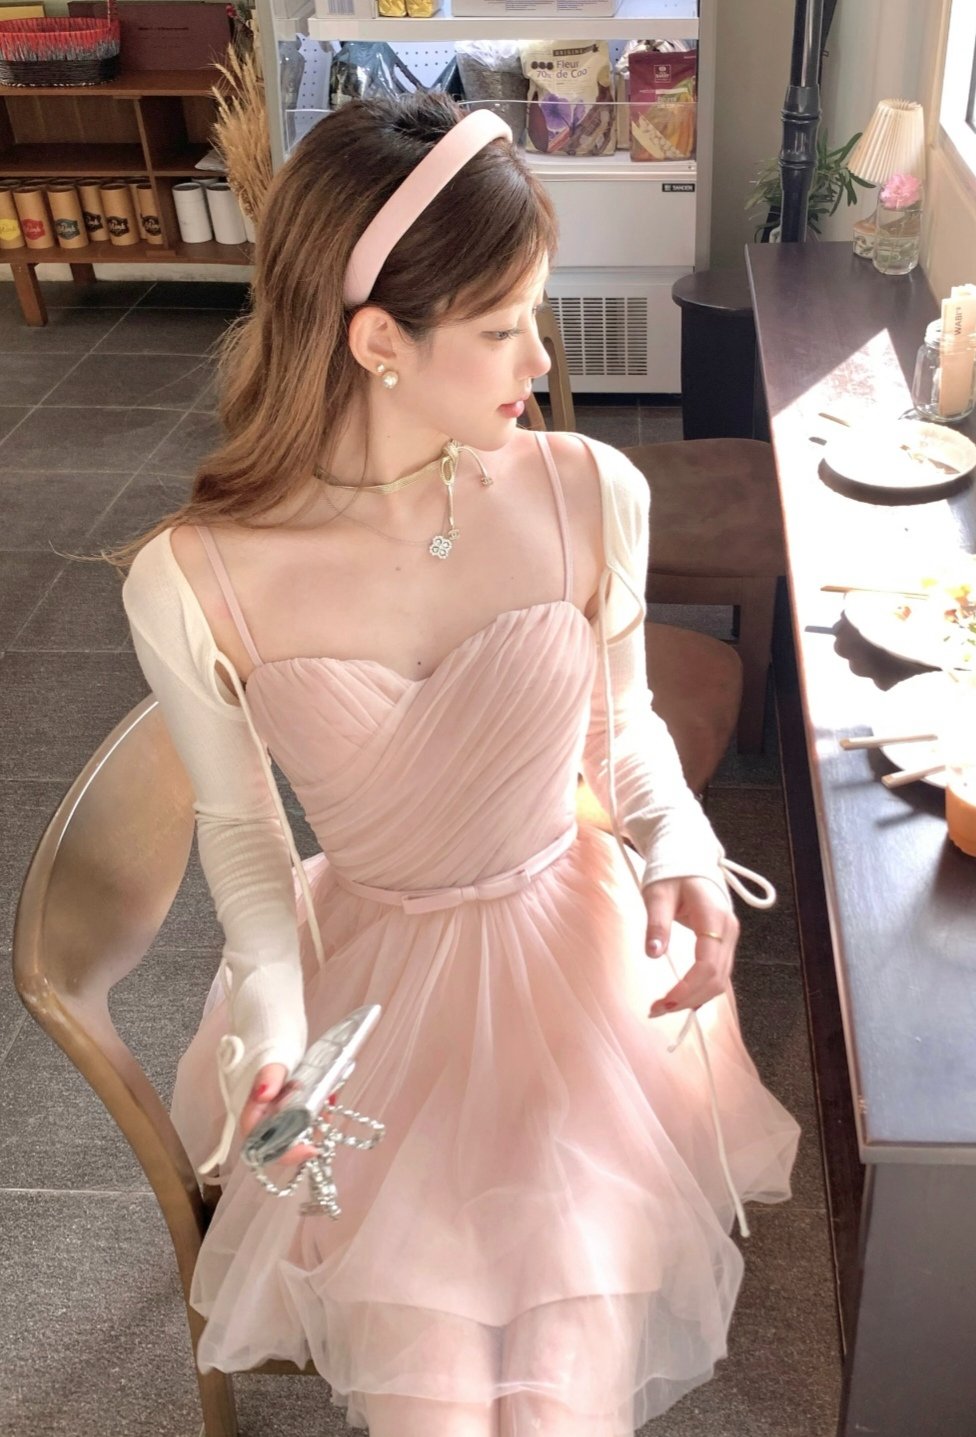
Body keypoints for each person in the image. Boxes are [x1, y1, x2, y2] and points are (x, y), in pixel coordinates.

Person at [117, 92, 799, 1437]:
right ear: (379, 340)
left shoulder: (592, 489)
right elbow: (244, 830)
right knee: (432, 1406)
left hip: (574, 978)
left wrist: (677, 841)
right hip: (369, 1009)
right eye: (500, 328)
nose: (538, 358)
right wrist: (273, 1017)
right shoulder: (190, 578)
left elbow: (620, 727)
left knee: (557, 1404)